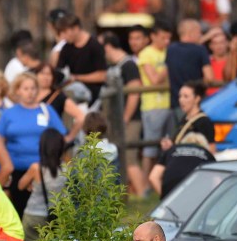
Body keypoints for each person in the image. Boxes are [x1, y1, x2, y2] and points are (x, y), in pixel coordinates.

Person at [0, 72, 67, 217]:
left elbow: (60, 135)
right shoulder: (9, 113)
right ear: (18, 90)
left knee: (46, 213)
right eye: (26, 88)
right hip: (17, 170)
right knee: (18, 211)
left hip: (43, 170)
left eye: (33, 88)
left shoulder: (46, 110)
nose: (30, 92)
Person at [16, 128, 67, 241]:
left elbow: (20, 185)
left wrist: (31, 184)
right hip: (55, 217)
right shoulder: (66, 169)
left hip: (33, 216)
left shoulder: (36, 168)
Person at [103, 32, 146, 194]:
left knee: (129, 159)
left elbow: (134, 92)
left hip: (131, 119)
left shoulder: (129, 65)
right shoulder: (115, 66)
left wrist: (126, 117)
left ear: (108, 47)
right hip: (120, 120)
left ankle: (142, 194)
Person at [138, 23, 172, 182]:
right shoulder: (146, 54)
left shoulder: (168, 51)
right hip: (152, 106)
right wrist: (168, 65)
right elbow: (154, 80)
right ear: (153, 36)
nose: (167, 41)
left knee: (168, 146)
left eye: (169, 38)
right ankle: (145, 184)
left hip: (169, 104)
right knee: (150, 148)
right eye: (163, 37)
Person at [54, 14, 108, 103]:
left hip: (92, 91)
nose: (63, 37)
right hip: (72, 86)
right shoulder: (66, 48)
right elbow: (59, 70)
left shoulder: (94, 46)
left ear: (75, 28)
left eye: (65, 32)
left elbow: (102, 75)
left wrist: (77, 78)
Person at [148, 132, 215, 198]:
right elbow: (216, 179)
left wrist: (165, 198)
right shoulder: (207, 153)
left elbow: (153, 177)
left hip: (171, 186)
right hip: (197, 188)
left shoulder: (172, 150)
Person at [167, 20, 213, 108]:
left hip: (176, 102)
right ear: (191, 33)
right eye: (199, 32)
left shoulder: (170, 49)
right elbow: (209, 77)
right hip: (195, 102)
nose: (200, 35)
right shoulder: (200, 50)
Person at [33, 63, 85, 143]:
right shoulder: (30, 95)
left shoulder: (58, 97)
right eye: (42, 73)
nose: (45, 77)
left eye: (48, 74)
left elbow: (80, 117)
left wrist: (69, 137)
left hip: (51, 140)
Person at [160, 80, 215, 154]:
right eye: (180, 96)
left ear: (197, 99)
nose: (181, 100)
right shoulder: (184, 119)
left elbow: (211, 150)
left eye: (186, 96)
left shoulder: (204, 122)